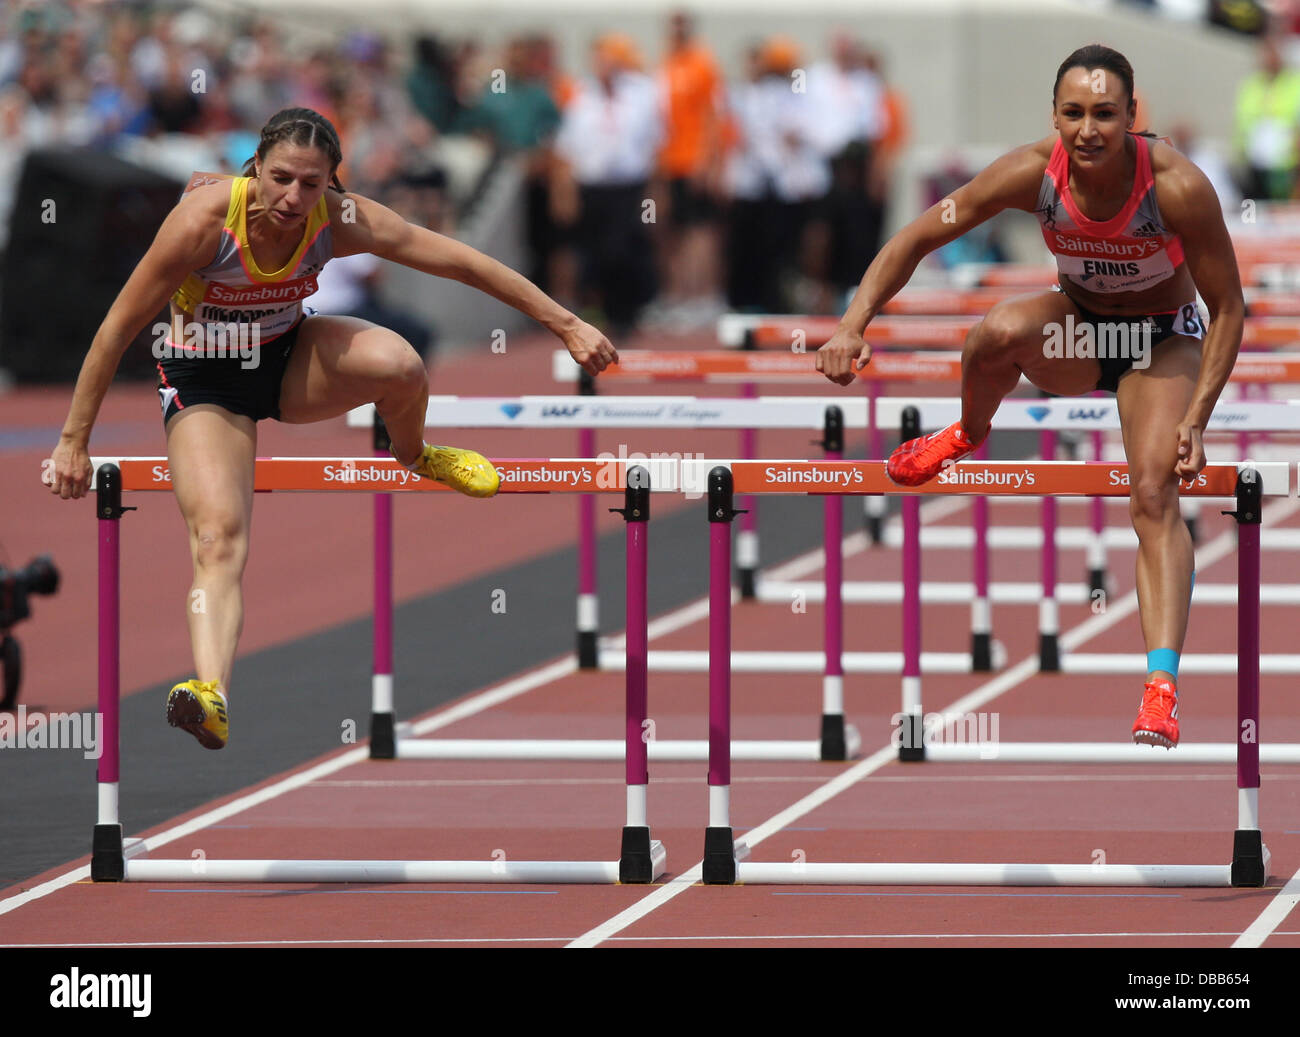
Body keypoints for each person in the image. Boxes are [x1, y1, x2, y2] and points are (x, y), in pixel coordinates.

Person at [43, 107, 617, 750]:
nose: (292, 197)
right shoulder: (203, 222)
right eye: (281, 177)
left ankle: (416, 452)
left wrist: (566, 323)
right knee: (219, 539)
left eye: (311, 184)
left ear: (331, 185)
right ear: (256, 166)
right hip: (205, 380)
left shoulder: (342, 220)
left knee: (400, 363)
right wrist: (73, 441)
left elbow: (463, 262)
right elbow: (116, 329)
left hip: (290, 360)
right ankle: (210, 693)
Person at [815, 46, 1244, 751]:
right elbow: (920, 235)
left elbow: (1228, 307)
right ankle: (966, 432)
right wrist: (850, 323)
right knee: (994, 333)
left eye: (1105, 114)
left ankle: (1161, 686)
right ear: (1054, 115)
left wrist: (1198, 416)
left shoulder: (1177, 186)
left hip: (1161, 343)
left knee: (1151, 489)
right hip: (1078, 335)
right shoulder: (1030, 172)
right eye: (1073, 113)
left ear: (1131, 117)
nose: (1088, 130)